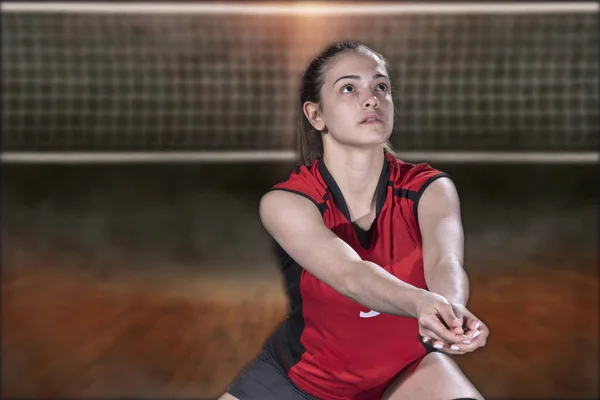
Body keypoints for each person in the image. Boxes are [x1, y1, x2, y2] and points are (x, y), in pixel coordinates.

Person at [219, 40, 489, 400]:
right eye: (349, 88)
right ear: (316, 115)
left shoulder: (429, 188)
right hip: (302, 382)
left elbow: (445, 261)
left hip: (404, 373)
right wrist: (422, 303)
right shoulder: (288, 202)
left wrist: (451, 311)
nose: (371, 99)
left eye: (381, 86)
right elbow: (351, 275)